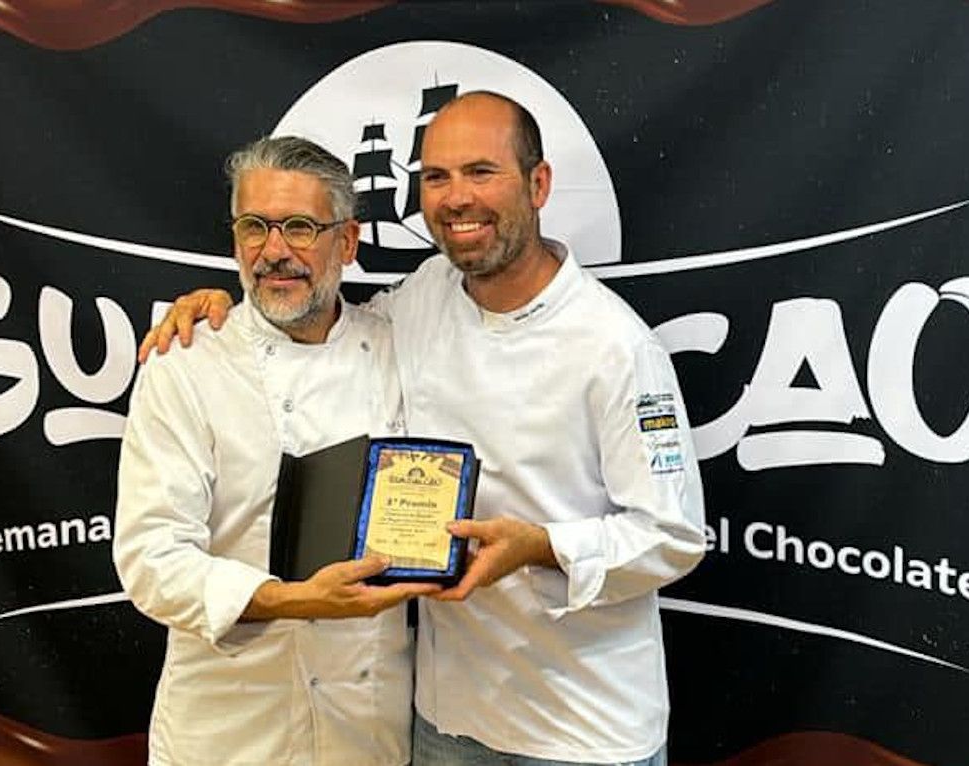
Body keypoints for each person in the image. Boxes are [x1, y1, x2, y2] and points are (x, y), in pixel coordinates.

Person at [141, 92, 707, 766]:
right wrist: (216, 310)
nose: (456, 197)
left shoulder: (617, 346)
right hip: (443, 721)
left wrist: (539, 547)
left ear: (539, 184)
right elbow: (152, 555)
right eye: (436, 177)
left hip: (580, 727)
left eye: (481, 172)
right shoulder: (419, 302)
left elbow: (673, 535)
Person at [113, 136, 440, 766]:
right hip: (231, 731)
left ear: (347, 242)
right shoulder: (185, 363)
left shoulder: (401, 343)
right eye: (254, 227)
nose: (274, 251)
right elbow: (151, 560)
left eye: (299, 227)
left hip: (366, 731)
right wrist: (293, 600)